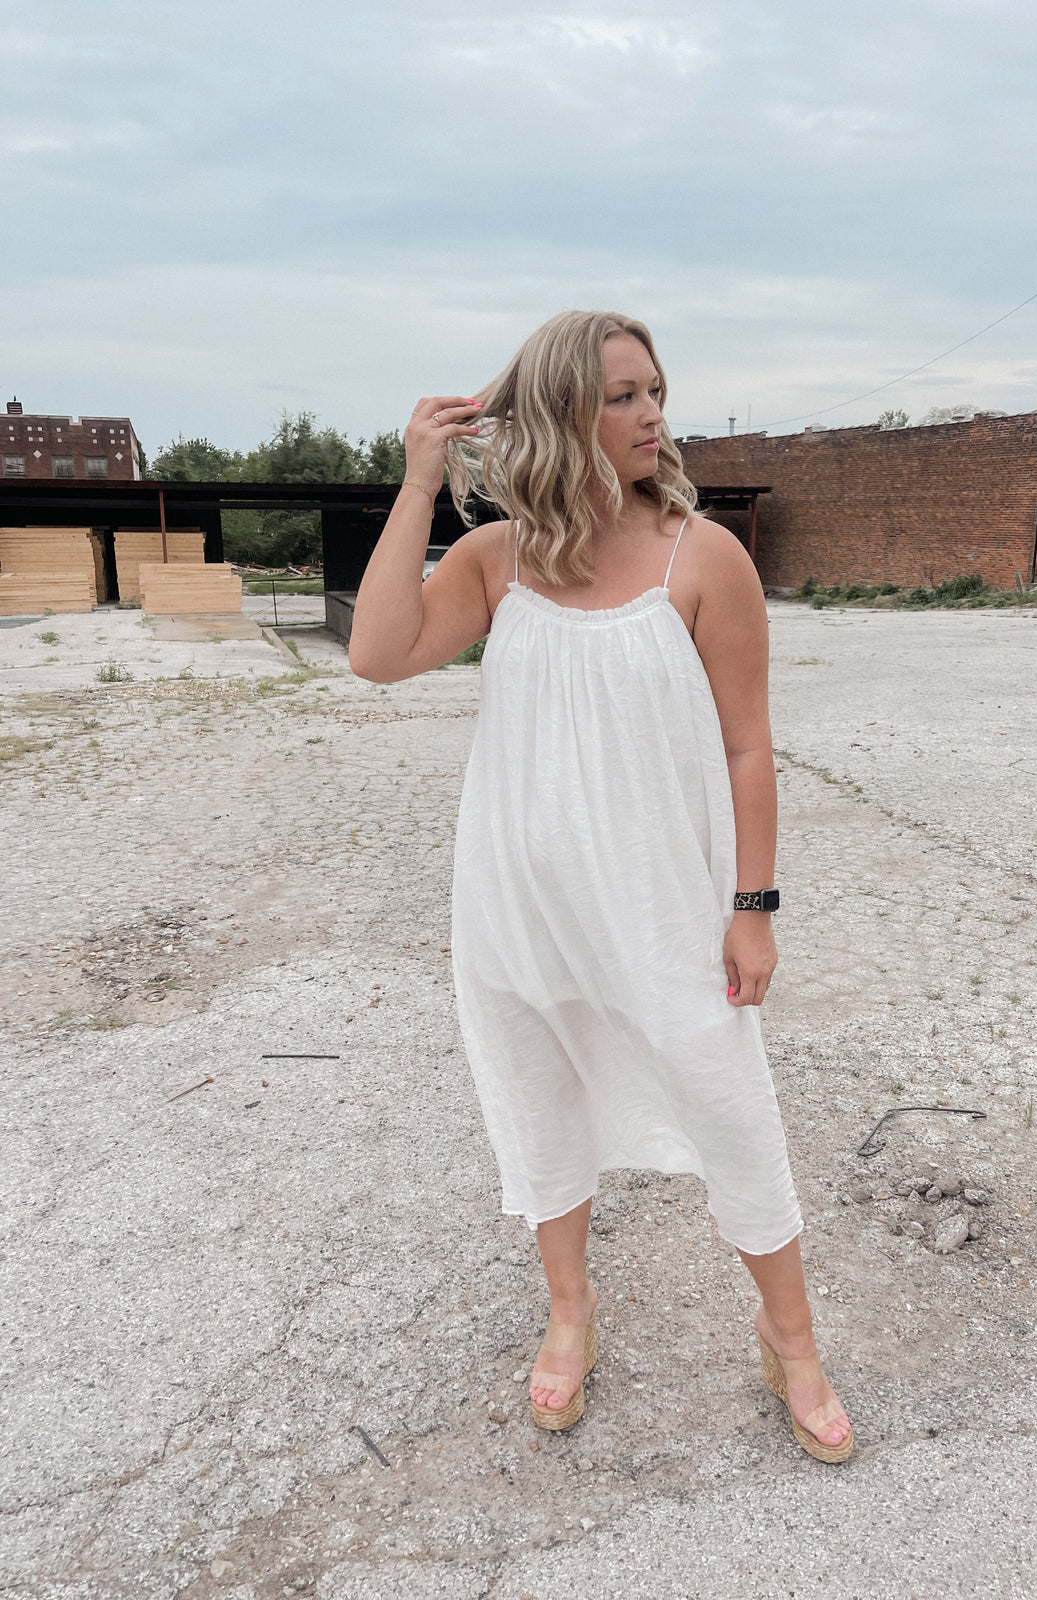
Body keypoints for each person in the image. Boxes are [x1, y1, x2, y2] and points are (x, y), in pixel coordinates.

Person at [348, 310, 853, 1463]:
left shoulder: (701, 556)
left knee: (729, 1106)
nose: (652, 413)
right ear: (565, 411)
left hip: (662, 914)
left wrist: (754, 907)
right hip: (516, 914)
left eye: (654, 390)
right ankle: (570, 1312)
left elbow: (747, 748)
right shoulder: (496, 560)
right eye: (621, 394)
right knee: (542, 1106)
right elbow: (376, 653)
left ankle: (793, 1337)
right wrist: (420, 481)